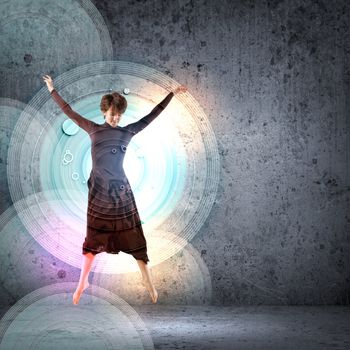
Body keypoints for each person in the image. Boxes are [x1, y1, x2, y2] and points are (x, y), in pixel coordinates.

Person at [42, 74, 187, 305]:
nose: (116, 118)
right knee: (93, 237)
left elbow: (152, 115)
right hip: (99, 193)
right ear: (104, 113)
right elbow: (68, 110)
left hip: (121, 193)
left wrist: (172, 94)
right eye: (112, 114)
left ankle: (147, 280)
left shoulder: (126, 132)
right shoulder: (92, 128)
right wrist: (52, 89)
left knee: (133, 234)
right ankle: (82, 282)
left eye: (119, 115)